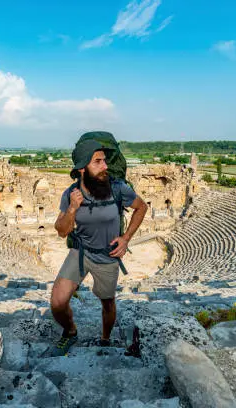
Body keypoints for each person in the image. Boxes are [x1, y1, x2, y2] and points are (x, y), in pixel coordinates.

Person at [50, 138, 148, 356]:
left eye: (105, 161)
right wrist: (73, 209)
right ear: (82, 168)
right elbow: (61, 230)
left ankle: (105, 339)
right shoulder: (71, 194)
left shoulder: (118, 188)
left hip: (107, 255)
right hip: (81, 252)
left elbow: (141, 207)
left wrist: (126, 239)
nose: (105, 166)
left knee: (108, 303)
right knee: (57, 301)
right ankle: (70, 331)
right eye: (98, 162)